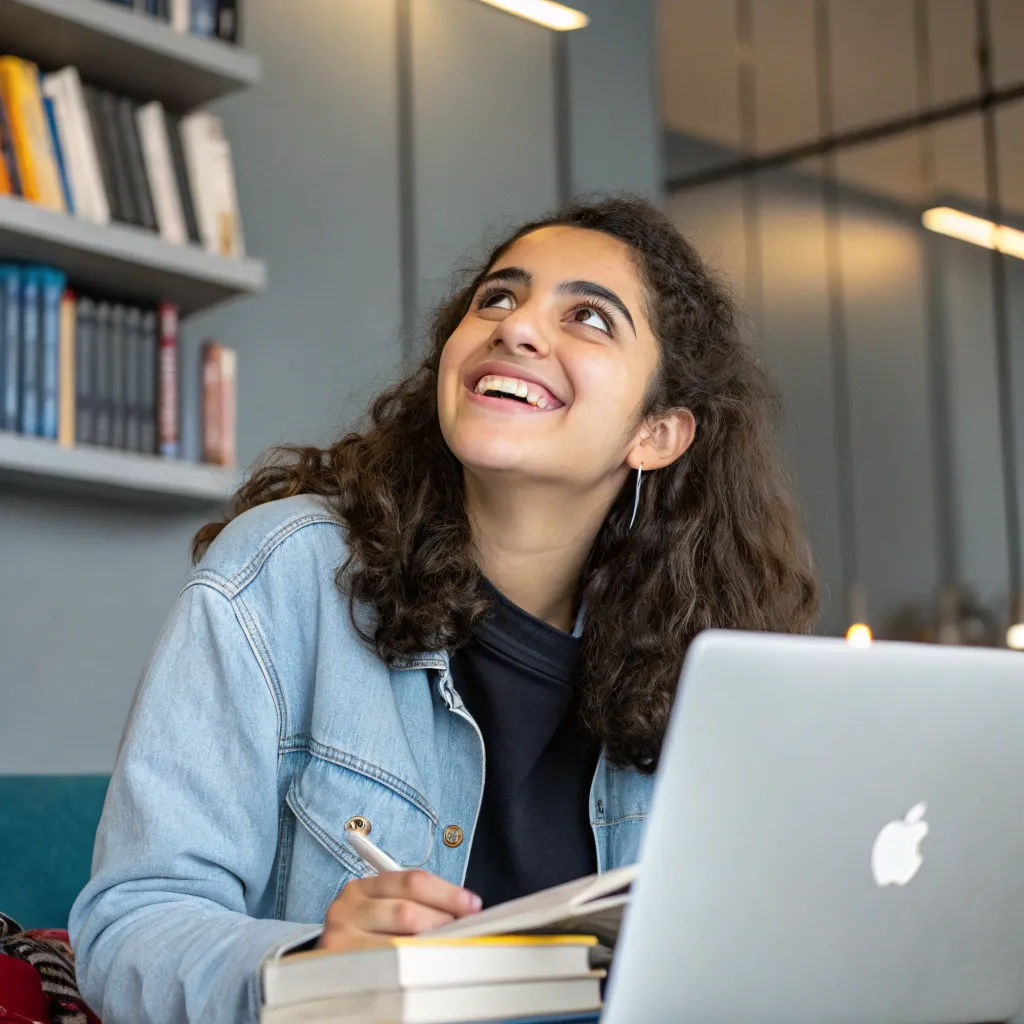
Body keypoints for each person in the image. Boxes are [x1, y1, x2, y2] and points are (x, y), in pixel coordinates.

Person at [69, 196, 818, 1024]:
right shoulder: (283, 574)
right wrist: (310, 966)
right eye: (497, 298)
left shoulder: (705, 664)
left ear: (659, 434)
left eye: (588, 318)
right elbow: (128, 931)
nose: (517, 328)